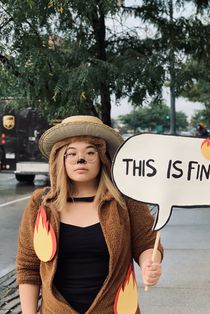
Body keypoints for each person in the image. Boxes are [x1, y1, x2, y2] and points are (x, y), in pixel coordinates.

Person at [16, 115, 164, 314]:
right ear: (61, 159)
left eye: (90, 152)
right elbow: (28, 268)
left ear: (102, 158)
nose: (81, 159)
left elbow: (147, 243)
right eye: (71, 153)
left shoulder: (126, 201)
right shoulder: (40, 203)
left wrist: (149, 263)